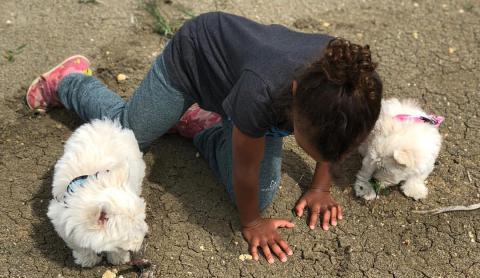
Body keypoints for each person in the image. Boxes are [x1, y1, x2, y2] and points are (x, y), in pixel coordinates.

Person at [26, 12, 382, 264]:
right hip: (194, 60)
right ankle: (70, 82)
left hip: (244, 92)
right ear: (295, 94)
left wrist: (321, 186)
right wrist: (253, 223)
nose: (325, 156)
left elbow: (340, 138)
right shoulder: (262, 93)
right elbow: (244, 172)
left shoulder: (357, 90)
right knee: (128, 135)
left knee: (263, 188)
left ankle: (205, 126)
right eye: (311, 145)